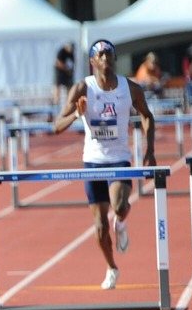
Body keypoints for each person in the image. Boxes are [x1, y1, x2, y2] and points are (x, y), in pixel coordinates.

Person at [53, 39, 156, 290]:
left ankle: (120, 223)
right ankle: (112, 267)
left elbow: (147, 115)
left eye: (109, 54)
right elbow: (56, 126)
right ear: (92, 62)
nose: (105, 58)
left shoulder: (130, 88)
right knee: (99, 227)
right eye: (100, 55)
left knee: (120, 206)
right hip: (93, 161)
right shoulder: (82, 88)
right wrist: (79, 113)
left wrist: (150, 150)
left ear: (115, 59)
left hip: (119, 157)